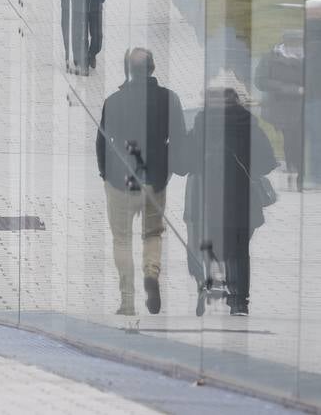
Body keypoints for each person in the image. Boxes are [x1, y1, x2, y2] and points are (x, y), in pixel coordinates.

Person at [96, 48, 185, 316]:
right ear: (153, 68)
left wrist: (104, 173)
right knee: (153, 233)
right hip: (154, 179)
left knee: (122, 239)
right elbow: (178, 138)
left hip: (120, 181)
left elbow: (102, 142)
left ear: (128, 71)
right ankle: (151, 273)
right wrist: (170, 170)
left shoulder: (113, 101)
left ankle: (126, 299)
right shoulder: (168, 99)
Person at [176, 87, 277, 316]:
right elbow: (267, 162)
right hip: (243, 198)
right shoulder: (249, 127)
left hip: (209, 198)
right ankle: (239, 301)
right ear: (237, 102)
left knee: (217, 244)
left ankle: (219, 282)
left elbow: (184, 164)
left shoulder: (202, 128)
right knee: (240, 249)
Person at [254, 29, 305, 189]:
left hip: (308, 106)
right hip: (283, 108)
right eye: (293, 44)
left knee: (305, 141)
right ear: (286, 43)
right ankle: (295, 173)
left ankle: (301, 173)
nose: (297, 47)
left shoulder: (310, 57)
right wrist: (289, 89)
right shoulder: (270, 58)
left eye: (299, 43)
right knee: (292, 140)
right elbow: (260, 81)